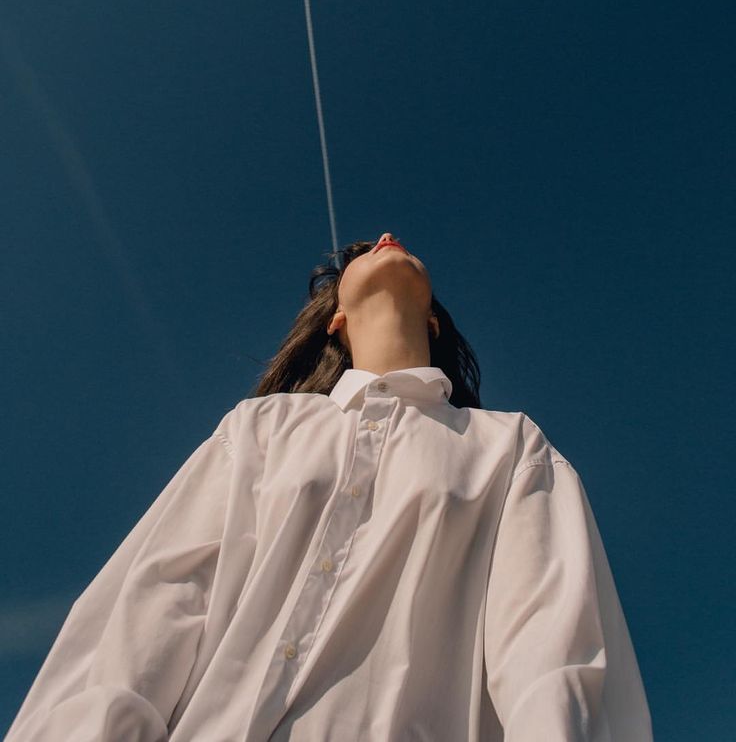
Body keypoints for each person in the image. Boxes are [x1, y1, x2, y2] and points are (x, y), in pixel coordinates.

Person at [6, 232, 653, 741]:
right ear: (336, 321)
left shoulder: (508, 447)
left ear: (432, 322)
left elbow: (552, 657)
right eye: (363, 252)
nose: (388, 237)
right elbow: (151, 616)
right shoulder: (261, 428)